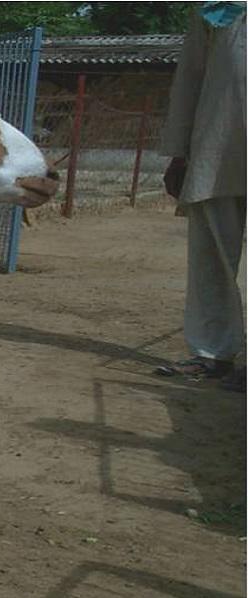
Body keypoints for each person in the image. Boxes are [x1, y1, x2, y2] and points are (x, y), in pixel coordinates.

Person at [156, 2, 246, 391]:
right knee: (212, 256)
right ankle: (211, 353)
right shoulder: (216, 5)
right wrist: (180, 150)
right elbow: (192, 73)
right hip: (219, 144)